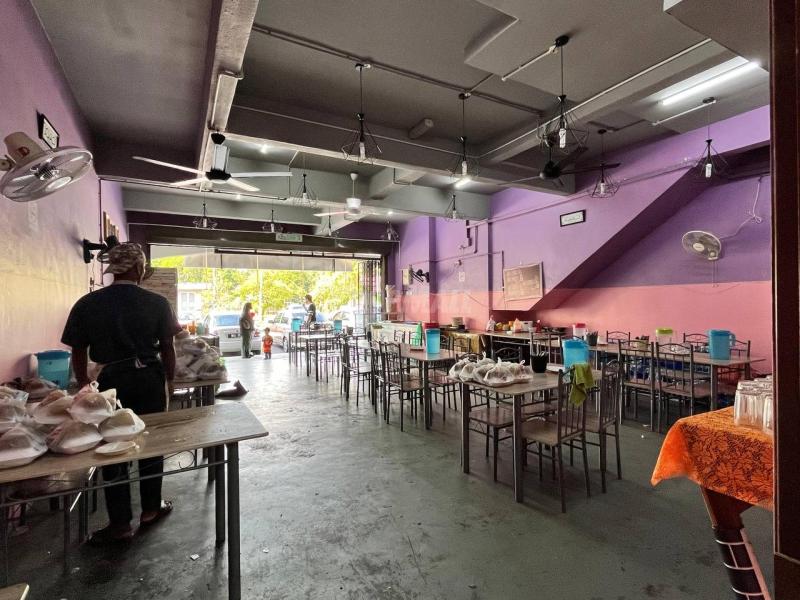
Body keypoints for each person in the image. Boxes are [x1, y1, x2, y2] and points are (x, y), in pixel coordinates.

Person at [61, 242, 180, 544]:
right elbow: (168, 347)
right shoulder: (157, 303)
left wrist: (85, 384)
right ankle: (151, 509)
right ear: (139, 268)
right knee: (151, 444)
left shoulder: (87, 303)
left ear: (113, 269)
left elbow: (78, 349)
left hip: (110, 383)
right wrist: (170, 381)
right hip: (149, 380)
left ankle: (120, 523)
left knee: (112, 447)